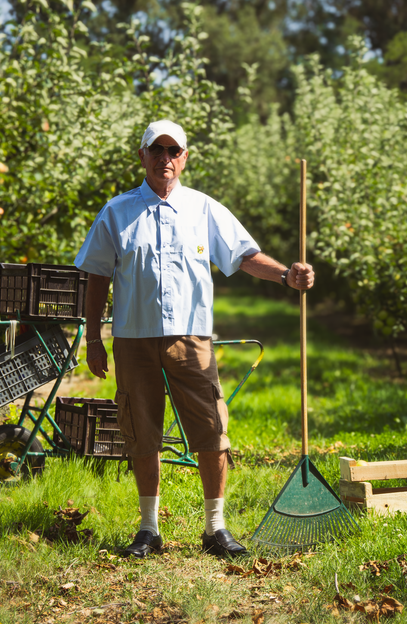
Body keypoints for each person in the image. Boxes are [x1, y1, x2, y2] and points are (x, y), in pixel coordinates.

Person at [75, 119, 315, 559]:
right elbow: (96, 275)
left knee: (210, 428)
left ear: (184, 158)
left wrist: (285, 274)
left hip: (191, 338)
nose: (165, 158)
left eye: (174, 151)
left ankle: (215, 529)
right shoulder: (117, 212)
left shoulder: (204, 208)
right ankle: (149, 529)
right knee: (141, 429)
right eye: (157, 150)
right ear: (142, 155)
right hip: (133, 337)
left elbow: (243, 257)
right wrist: (94, 339)